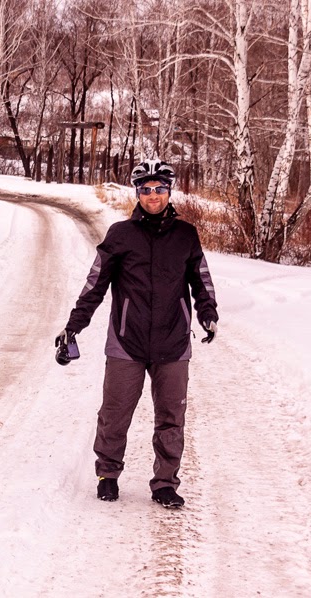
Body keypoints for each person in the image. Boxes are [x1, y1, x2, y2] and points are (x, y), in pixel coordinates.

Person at [57, 159, 218, 509]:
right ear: (137, 194)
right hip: (126, 343)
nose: (153, 195)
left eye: (159, 189)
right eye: (146, 190)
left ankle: (164, 484)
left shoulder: (186, 236)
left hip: (173, 343)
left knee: (171, 419)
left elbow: (201, 281)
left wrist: (208, 313)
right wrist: (74, 326)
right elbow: (94, 285)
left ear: (169, 192)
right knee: (114, 413)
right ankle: (108, 475)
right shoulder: (121, 235)